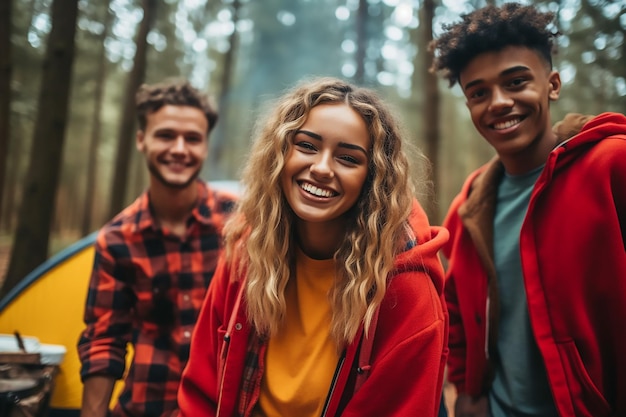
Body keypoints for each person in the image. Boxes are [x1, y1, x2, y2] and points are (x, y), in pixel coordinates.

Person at [177, 77, 449, 417]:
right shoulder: (248, 248)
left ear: (373, 177)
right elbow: (200, 394)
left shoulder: (406, 289)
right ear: (280, 152)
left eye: (348, 158)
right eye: (307, 146)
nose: (321, 169)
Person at [429, 3, 626, 417]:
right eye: (478, 93)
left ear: (552, 84)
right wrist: (467, 393)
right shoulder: (471, 203)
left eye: (516, 82)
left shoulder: (612, 165)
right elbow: (458, 309)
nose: (498, 103)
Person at [77, 79, 237, 417]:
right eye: (166, 135)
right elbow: (104, 342)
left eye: (192, 138)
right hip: (146, 408)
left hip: (222, 408)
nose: (179, 149)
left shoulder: (242, 224)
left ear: (205, 147)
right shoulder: (117, 240)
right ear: (141, 140)